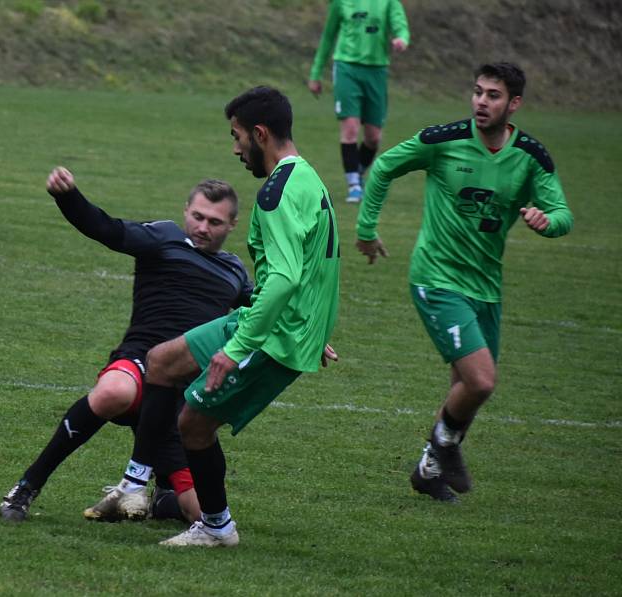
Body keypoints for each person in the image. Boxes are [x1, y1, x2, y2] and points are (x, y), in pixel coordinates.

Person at [99, 86, 340, 548]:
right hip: (288, 323)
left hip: (274, 335)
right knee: (162, 361)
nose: (235, 149)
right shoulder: (308, 177)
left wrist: (236, 347)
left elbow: (286, 278)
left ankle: (216, 527)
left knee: (193, 424)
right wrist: (316, 324)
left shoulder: (275, 194)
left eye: (237, 137)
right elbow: (316, 266)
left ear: (260, 133)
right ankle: (133, 484)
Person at [355, 62, 574, 502]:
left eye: (493, 95)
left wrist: (545, 220)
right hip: (436, 278)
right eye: (477, 91)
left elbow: (564, 215)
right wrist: (366, 230)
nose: (480, 101)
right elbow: (382, 169)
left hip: (486, 288)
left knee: (467, 390)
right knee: (481, 381)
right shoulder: (443, 140)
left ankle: (428, 469)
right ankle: (443, 447)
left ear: (514, 104)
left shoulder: (532, 157)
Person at [0, 170, 252, 523]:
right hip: (141, 363)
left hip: (182, 397)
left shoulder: (234, 271)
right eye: (197, 217)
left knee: (202, 514)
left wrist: (310, 338)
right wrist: (68, 196)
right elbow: (106, 228)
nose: (203, 227)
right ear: (185, 211)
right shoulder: (163, 237)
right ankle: (26, 486)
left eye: (215, 221)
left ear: (232, 225)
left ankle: (163, 496)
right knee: (112, 392)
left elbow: (266, 314)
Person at [308, 0, 410, 203]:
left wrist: (401, 38)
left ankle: (357, 171)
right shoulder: (341, 3)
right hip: (347, 68)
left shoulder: (389, 2)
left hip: (376, 71)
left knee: (373, 137)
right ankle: (353, 185)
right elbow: (328, 36)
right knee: (351, 128)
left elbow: (401, 25)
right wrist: (315, 73)